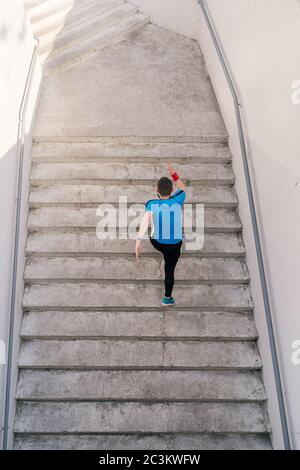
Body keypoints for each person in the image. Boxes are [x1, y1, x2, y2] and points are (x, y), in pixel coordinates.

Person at [135, 163, 186, 306]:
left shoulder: (152, 203)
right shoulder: (178, 198)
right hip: (174, 245)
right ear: (172, 190)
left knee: (155, 230)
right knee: (169, 270)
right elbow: (183, 188)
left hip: (157, 242)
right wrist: (174, 174)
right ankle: (167, 298)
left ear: (156, 190)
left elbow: (146, 219)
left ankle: (163, 247)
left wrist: (139, 241)